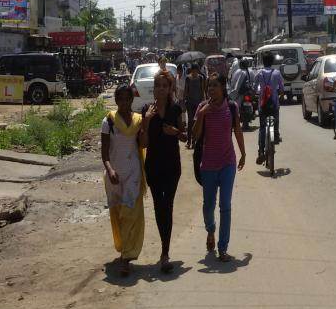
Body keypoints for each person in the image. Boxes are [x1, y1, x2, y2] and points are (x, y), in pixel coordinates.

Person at [193, 75, 246, 261]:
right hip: (208, 165)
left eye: (215, 86)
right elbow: (196, 135)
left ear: (223, 88)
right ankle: (210, 230)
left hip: (227, 163)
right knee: (208, 206)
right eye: (209, 86)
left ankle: (223, 248)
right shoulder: (202, 108)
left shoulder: (232, 107)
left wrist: (243, 153)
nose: (212, 90)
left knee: (225, 205)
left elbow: (237, 130)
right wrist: (202, 114)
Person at [141, 69, 186, 273]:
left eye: (164, 86)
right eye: (158, 85)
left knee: (167, 206)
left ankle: (165, 252)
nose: (161, 89)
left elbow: (186, 138)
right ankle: (164, 248)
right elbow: (143, 143)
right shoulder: (145, 110)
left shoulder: (176, 109)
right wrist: (147, 121)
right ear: (154, 88)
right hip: (153, 165)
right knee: (159, 207)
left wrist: (175, 132)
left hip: (172, 166)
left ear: (170, 89)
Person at [101, 84, 147, 277]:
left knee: (130, 212)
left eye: (127, 99)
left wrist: (147, 123)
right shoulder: (108, 121)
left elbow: (143, 144)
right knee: (119, 213)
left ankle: (127, 257)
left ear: (131, 100)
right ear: (116, 100)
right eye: (120, 99)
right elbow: (104, 153)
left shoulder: (138, 120)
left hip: (133, 173)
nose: (124, 103)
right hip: (115, 174)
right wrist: (110, 170)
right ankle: (124, 248)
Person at [254, 52, 284, 164]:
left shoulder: (259, 73)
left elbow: (254, 87)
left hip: (262, 105)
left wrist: (256, 94)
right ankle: (276, 134)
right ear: (272, 62)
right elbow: (281, 89)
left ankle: (261, 151)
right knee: (276, 117)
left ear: (263, 61)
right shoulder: (277, 73)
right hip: (274, 104)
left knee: (262, 127)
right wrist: (279, 96)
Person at [184, 64, 206, 148]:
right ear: (191, 70)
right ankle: (189, 141)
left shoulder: (201, 78)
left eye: (196, 70)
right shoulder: (188, 78)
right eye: (193, 70)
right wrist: (184, 101)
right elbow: (186, 91)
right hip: (190, 103)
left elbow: (203, 90)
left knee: (196, 122)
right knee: (190, 122)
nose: (195, 72)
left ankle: (194, 141)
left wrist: (204, 101)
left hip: (198, 104)